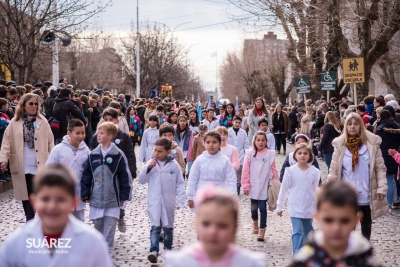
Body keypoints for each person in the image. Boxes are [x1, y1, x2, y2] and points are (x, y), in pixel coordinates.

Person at [0, 164, 113, 267]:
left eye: (61, 199)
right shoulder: (15, 244)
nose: (52, 206)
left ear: (73, 203)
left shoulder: (93, 243)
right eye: (45, 199)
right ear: (34, 202)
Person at [164, 185, 265, 267]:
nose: (213, 231)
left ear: (235, 228)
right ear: (196, 223)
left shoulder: (248, 263)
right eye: (206, 224)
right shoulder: (182, 262)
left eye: (222, 226)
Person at [289, 181, 382, 267]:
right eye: (328, 220)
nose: (336, 228)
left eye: (345, 221)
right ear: (317, 217)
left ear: (357, 220)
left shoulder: (368, 262)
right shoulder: (302, 261)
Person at [328, 113, 388, 240]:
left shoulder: (371, 145)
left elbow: (380, 168)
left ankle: (364, 251)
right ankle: (347, 251)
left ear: (361, 126)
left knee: (366, 225)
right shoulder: (340, 146)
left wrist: (382, 188)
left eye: (356, 124)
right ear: (346, 127)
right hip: (347, 193)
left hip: (365, 192)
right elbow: (334, 170)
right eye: (349, 124)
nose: (353, 127)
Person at [0, 93, 54, 221]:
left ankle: (32, 218)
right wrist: (3, 159)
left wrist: (53, 160)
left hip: (39, 162)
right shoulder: (15, 122)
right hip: (21, 162)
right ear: (23, 106)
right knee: (25, 192)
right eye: (31, 104)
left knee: (35, 191)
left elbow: (50, 141)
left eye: (36, 104)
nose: (34, 106)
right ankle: (29, 217)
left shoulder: (42, 121)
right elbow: (6, 141)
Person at [81, 122, 132, 251]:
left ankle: (107, 255)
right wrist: (85, 192)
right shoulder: (93, 155)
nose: (98, 135)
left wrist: (124, 195)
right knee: (98, 228)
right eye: (98, 133)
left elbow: (125, 176)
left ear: (110, 136)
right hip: (96, 199)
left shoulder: (118, 155)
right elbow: (87, 175)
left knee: (109, 230)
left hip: (113, 200)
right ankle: (99, 255)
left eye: (102, 133)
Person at [138, 138, 186, 264]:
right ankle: (154, 250)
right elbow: (141, 180)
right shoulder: (151, 163)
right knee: (155, 226)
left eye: (160, 151)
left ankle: (168, 250)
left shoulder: (174, 165)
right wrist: (148, 168)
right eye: (155, 151)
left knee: (168, 228)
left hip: (168, 201)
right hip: (154, 201)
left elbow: (180, 184)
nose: (156, 154)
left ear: (168, 152)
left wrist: (180, 200)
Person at [276, 143, 320, 255]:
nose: (302, 155)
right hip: (295, 206)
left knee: (308, 231)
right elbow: (284, 189)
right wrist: (279, 206)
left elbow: (316, 190)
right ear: (295, 155)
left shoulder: (315, 172)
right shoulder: (290, 171)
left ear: (310, 156)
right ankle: (296, 255)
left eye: (305, 153)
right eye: (299, 153)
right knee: (298, 231)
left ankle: (308, 253)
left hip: (309, 206)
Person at [46, 119, 90, 221]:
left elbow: (88, 171)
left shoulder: (86, 151)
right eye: (77, 133)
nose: (80, 136)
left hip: (78, 192)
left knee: (78, 221)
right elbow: (49, 168)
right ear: (69, 133)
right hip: (61, 191)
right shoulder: (58, 149)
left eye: (83, 133)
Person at [241, 131, 279, 242]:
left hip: (264, 184)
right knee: (253, 207)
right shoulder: (250, 154)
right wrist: (245, 185)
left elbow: (273, 168)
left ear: (266, 141)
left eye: (263, 140)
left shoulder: (269, 154)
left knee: (262, 207)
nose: (261, 142)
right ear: (254, 141)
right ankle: (255, 223)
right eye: (258, 140)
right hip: (253, 184)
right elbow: (245, 170)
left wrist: (276, 182)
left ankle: (262, 229)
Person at [187, 131, 237, 209]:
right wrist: (190, 196)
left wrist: (232, 196)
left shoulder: (225, 160)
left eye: (214, 142)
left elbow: (231, 180)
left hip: (220, 193)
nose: (211, 145)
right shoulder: (200, 160)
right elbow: (193, 178)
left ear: (219, 143)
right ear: (204, 143)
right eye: (208, 142)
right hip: (202, 193)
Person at [373, 110, 400, 214]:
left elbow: (376, 142)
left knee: (388, 179)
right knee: (393, 179)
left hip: (384, 155)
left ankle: (388, 203)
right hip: (395, 154)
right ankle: (393, 200)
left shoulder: (380, 128)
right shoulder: (397, 126)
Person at [228, 116, 249, 195]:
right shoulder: (228, 131)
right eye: (236, 122)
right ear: (233, 122)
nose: (237, 124)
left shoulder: (243, 132)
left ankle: (238, 186)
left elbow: (246, 144)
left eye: (239, 123)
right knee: (231, 171)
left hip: (240, 154)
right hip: (230, 154)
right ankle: (231, 186)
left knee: (239, 172)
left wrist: (246, 154)